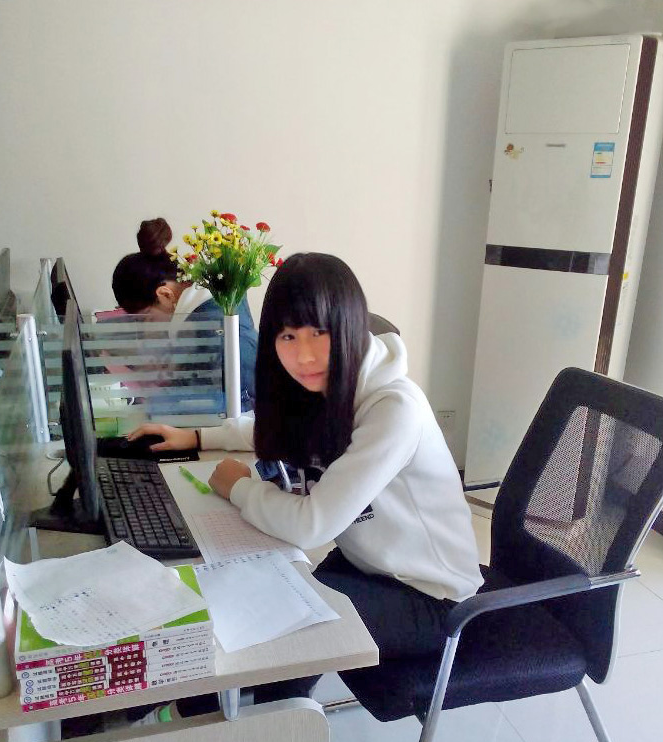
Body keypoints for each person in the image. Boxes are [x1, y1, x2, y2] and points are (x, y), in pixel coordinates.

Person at [129, 252, 483, 708]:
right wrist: (196, 436)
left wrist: (240, 488)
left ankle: (270, 728)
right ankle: (238, 717)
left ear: (349, 326)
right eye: (288, 336)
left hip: (432, 599)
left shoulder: (394, 409)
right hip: (366, 566)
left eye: (320, 333)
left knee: (278, 633)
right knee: (248, 606)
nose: (305, 355)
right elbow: (276, 428)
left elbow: (311, 525)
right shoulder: (327, 385)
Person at [111, 217, 258, 411]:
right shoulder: (219, 303)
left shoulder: (208, 333)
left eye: (147, 318)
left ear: (165, 295)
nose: (148, 328)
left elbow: (201, 405)